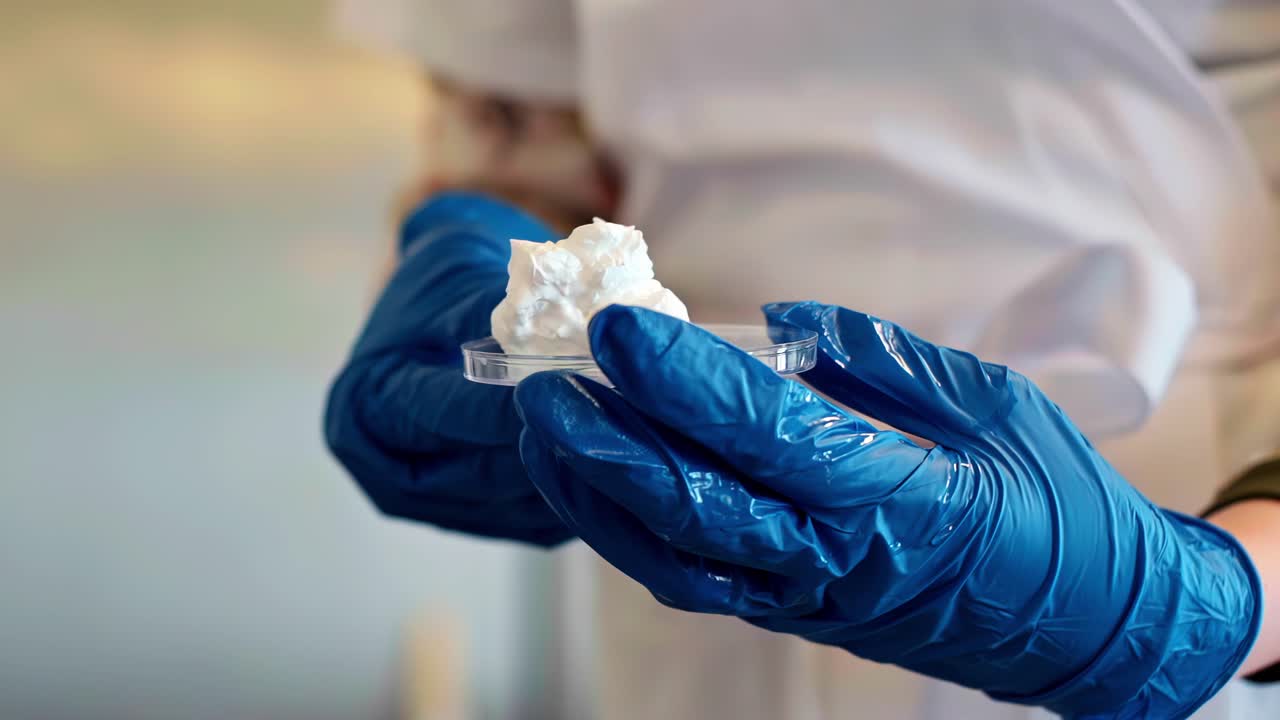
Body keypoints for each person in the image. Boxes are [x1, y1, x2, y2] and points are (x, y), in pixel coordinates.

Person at [326, 1, 1280, 717]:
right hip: (693, 519)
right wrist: (499, 275)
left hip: (1132, 526)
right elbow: (519, 121)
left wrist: (1199, 601)